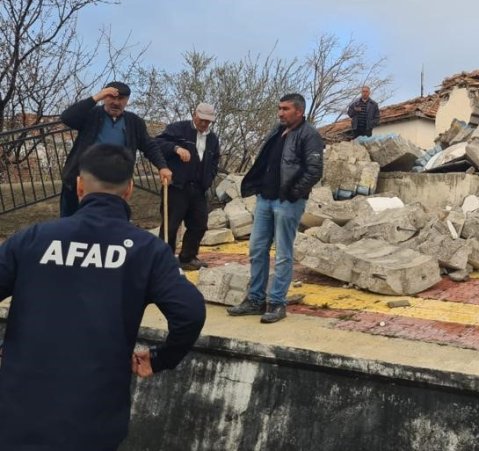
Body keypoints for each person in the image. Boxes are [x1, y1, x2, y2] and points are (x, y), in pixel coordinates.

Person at [0, 144, 206, 450]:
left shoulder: (33, 238)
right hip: (95, 415)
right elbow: (189, 312)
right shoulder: (147, 250)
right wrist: (161, 358)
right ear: (130, 190)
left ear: (80, 185)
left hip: (19, 411)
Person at [228, 94, 323, 324]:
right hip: (265, 199)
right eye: (279, 108)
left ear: (299, 112)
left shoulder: (309, 135)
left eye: (286, 109)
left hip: (287, 201)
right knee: (257, 248)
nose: (280, 113)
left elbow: (314, 170)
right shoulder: (277, 130)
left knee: (282, 253)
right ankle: (255, 299)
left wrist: (292, 194)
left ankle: (277, 302)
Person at [59, 81, 172, 217]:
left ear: (127, 100)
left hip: (115, 184)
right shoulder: (91, 115)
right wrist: (96, 97)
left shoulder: (134, 122)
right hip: (82, 182)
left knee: (109, 227)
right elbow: (67, 118)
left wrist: (162, 167)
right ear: (104, 97)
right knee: (73, 224)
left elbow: (149, 145)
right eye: (111, 97)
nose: (116, 102)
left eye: (121, 99)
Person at [155, 102, 221, 271]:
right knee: (171, 225)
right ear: (194, 115)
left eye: (208, 121)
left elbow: (214, 161)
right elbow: (157, 144)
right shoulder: (178, 129)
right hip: (177, 186)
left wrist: (209, 178)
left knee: (199, 224)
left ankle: (187, 257)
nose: (205, 124)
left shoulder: (212, 139)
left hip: (198, 188)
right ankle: (164, 260)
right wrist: (176, 148)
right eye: (202, 120)